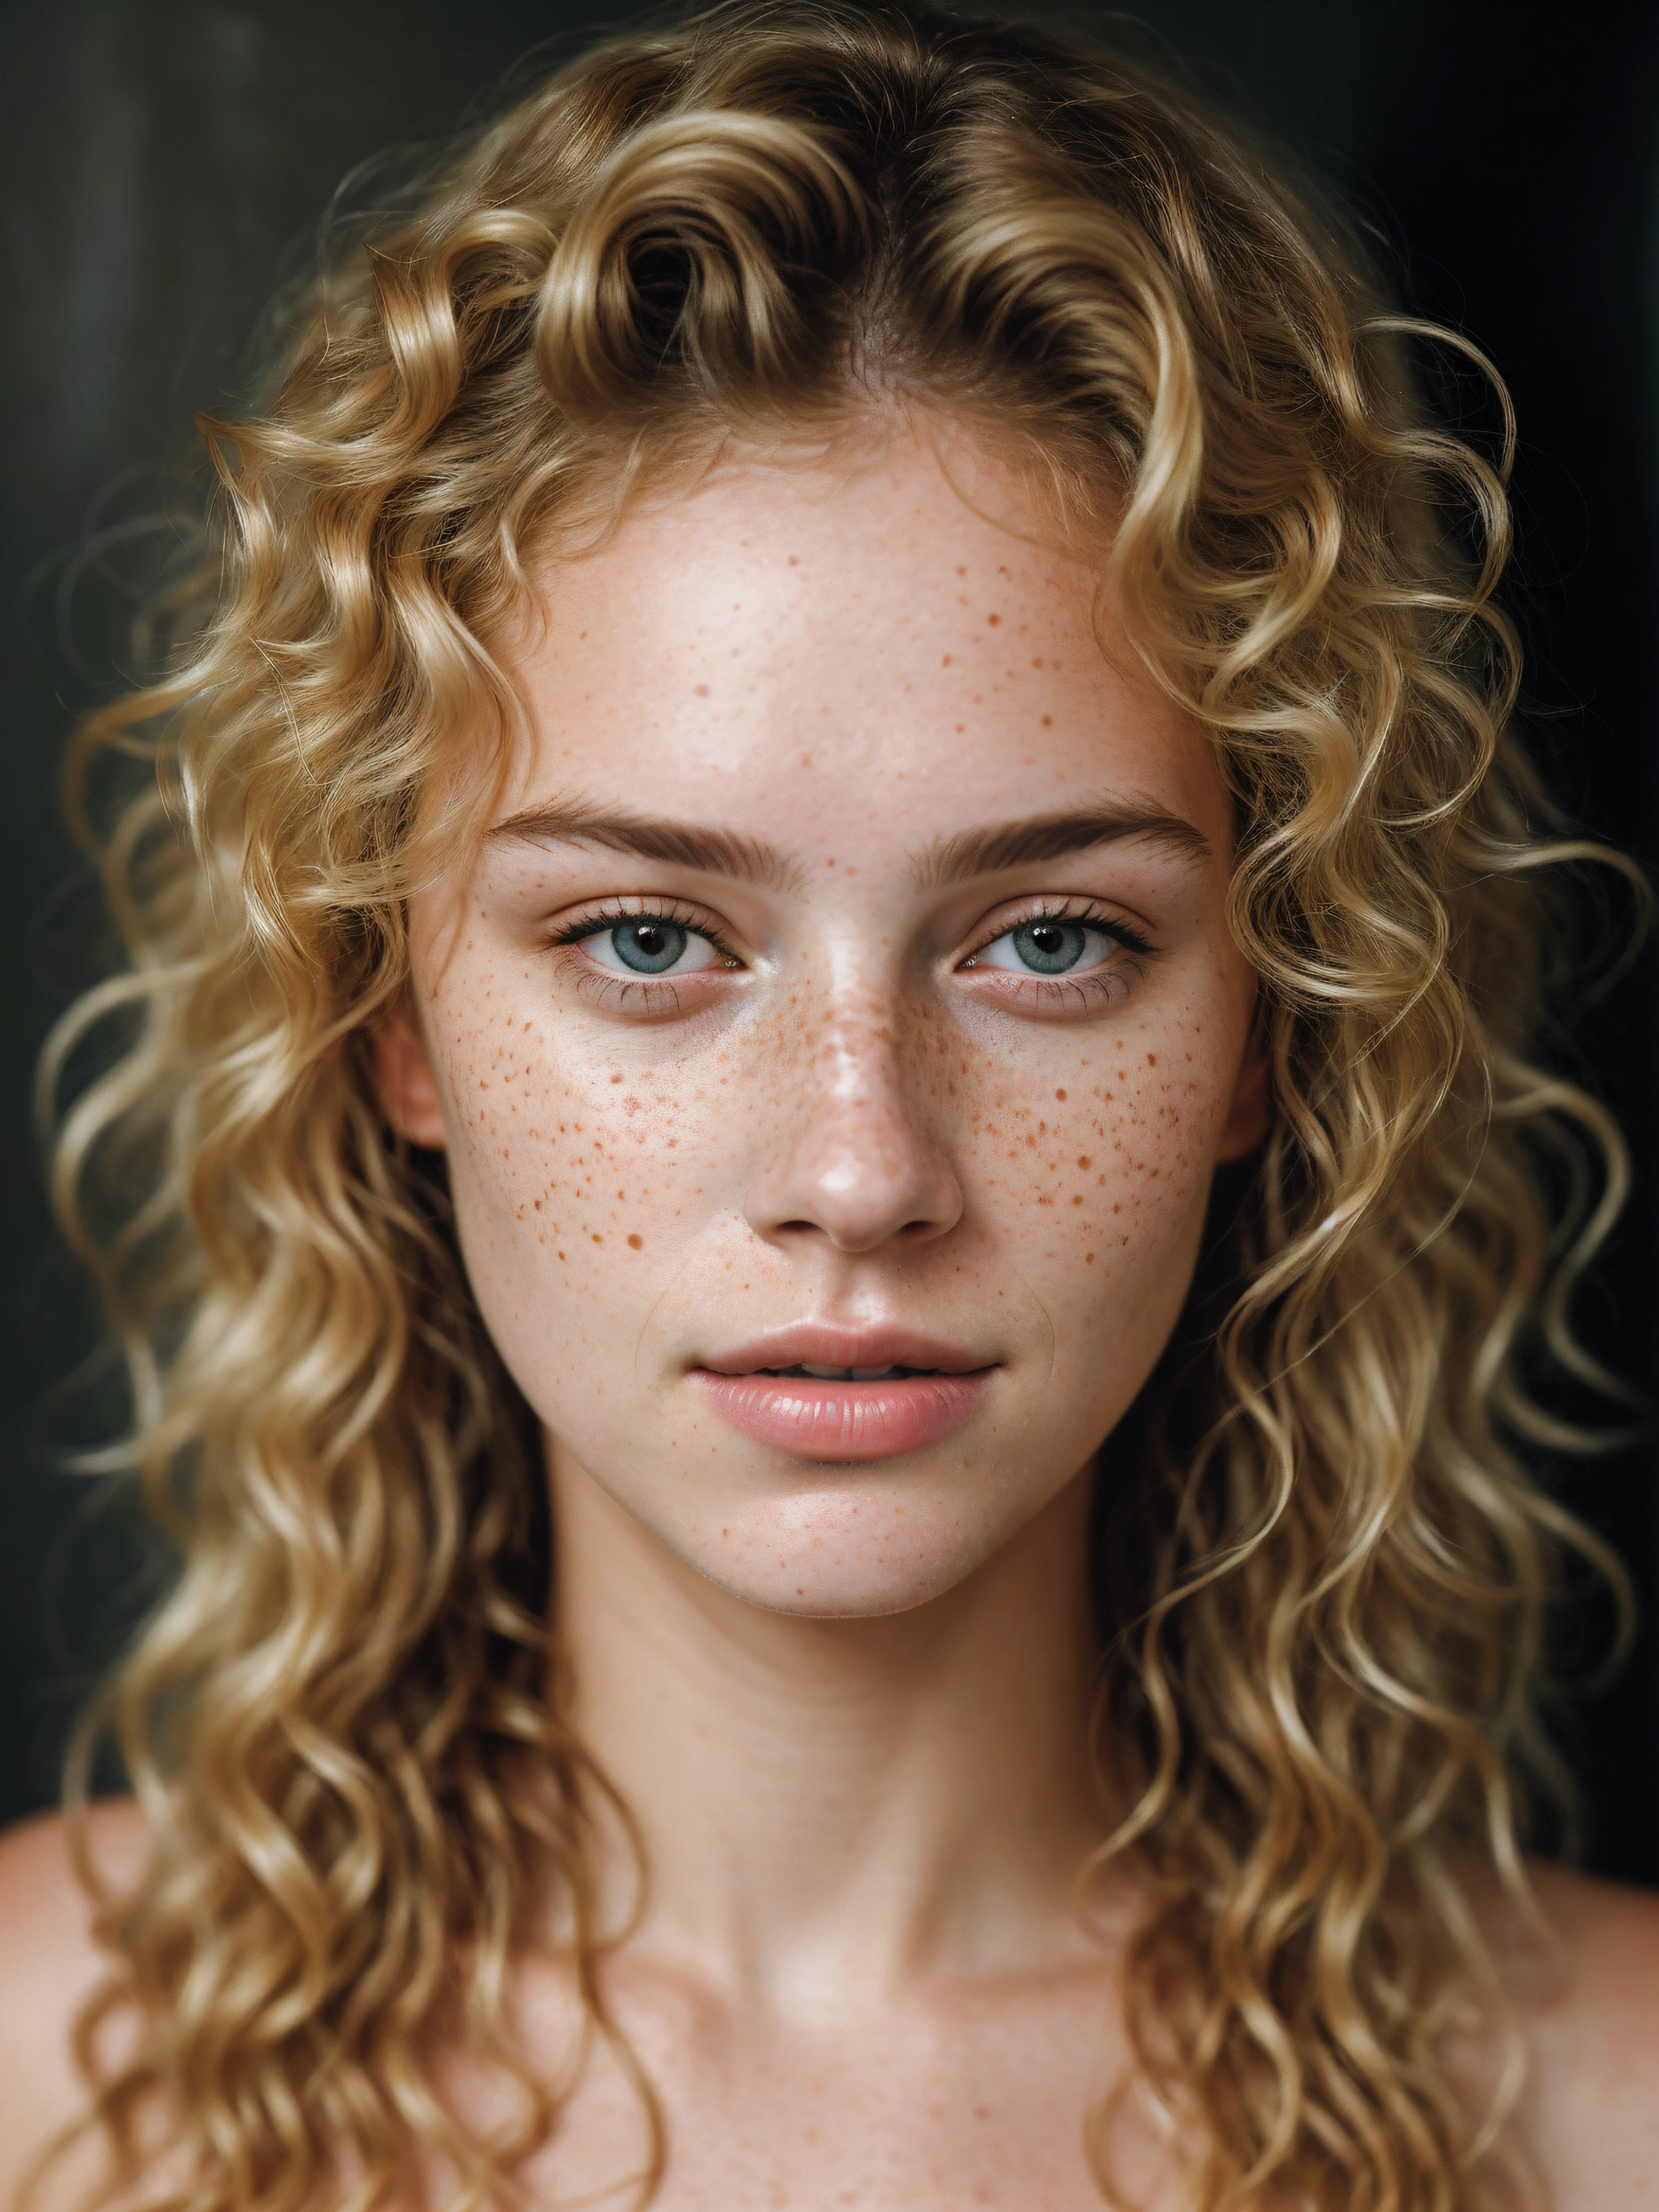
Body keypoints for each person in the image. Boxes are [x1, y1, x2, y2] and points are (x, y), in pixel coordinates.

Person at [2, 3, 1656, 2206]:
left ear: (1273, 1018)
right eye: (651, 939)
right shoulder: (41, 2066)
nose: (860, 1168)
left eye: (1049, 939)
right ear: (389, 1014)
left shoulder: (1603, 2108)